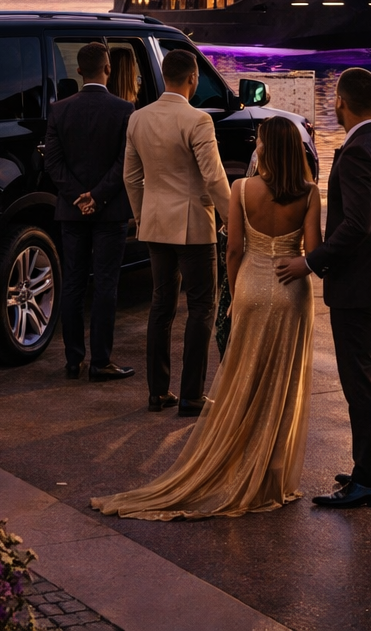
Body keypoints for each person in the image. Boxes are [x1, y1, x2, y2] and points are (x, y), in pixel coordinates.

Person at [92, 118, 321, 519]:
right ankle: (271, 473)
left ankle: (238, 458)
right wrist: (297, 262)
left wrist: (233, 295)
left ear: (265, 149)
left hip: (250, 286)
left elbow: (233, 249)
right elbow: (313, 252)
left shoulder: (241, 189)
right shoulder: (309, 193)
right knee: (282, 381)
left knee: (244, 377)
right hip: (292, 293)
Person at [276, 68, 371, 509]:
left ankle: (368, 480)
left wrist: (309, 262)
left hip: (357, 281)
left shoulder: (355, 153)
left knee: (360, 379)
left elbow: (356, 224)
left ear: (341, 101)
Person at [124, 50, 232, 417]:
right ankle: (191, 395)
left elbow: (131, 177)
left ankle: (157, 393)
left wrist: (142, 216)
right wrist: (233, 219)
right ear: (193, 78)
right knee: (201, 307)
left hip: (155, 224)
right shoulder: (198, 119)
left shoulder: (138, 119)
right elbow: (215, 177)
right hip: (194, 227)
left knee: (161, 307)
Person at [44, 42, 136, 383]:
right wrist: (98, 196)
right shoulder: (124, 109)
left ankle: (73, 360)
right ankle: (101, 362)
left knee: (73, 285)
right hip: (110, 212)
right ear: (107, 69)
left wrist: (77, 197)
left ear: (79, 71)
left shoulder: (59, 110)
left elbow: (53, 162)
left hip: (71, 212)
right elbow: (125, 162)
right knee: (106, 284)